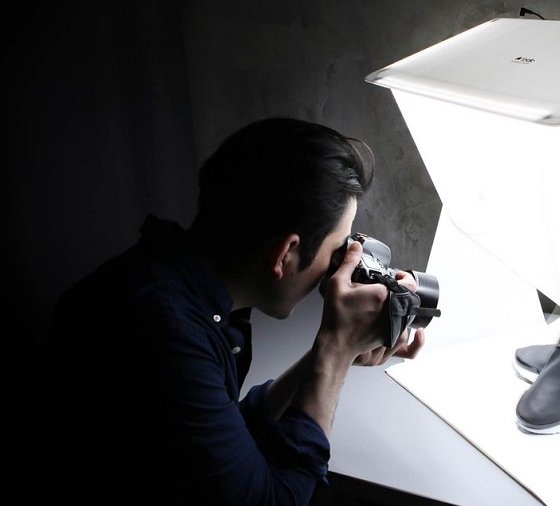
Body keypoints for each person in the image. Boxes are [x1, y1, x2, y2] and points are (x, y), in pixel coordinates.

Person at [45, 117, 425, 505]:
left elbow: (227, 434)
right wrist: (336, 352)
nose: (335, 268)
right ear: (285, 254)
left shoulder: (177, 284)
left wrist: (327, 353)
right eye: (335, 252)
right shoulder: (161, 332)